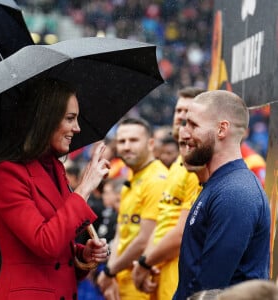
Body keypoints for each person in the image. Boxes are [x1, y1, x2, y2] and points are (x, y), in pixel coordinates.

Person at [0, 78, 110, 300]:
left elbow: (59, 248)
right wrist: (84, 187)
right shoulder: (6, 174)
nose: (77, 128)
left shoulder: (54, 167)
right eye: (70, 118)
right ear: (45, 119)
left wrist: (82, 254)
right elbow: (45, 243)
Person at [172, 90, 271, 300]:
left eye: (193, 124)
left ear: (221, 129)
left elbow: (209, 286)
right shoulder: (220, 184)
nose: (184, 132)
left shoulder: (235, 193)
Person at [132, 87, 204, 300]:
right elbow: (163, 222)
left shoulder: (197, 168)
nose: (181, 115)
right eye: (178, 110)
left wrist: (145, 262)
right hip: (160, 276)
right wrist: (148, 260)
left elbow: (183, 232)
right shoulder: (176, 166)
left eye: (188, 111)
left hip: (180, 278)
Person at [97, 117, 168, 300]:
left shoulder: (156, 180)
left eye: (134, 140)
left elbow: (145, 239)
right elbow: (121, 232)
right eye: (122, 141)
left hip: (145, 287)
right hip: (123, 283)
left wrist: (110, 271)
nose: (126, 146)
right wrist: (111, 274)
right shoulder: (131, 179)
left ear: (151, 143)